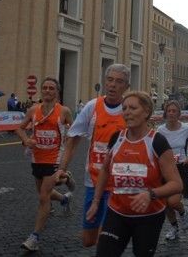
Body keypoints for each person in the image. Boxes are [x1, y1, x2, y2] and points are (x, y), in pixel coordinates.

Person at [86, 91, 182, 256]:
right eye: (124, 108)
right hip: (117, 212)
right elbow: (104, 170)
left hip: (149, 216)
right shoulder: (117, 138)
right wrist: (96, 201)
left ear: (146, 112)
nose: (127, 112)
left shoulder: (157, 141)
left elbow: (176, 184)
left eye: (132, 108)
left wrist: (151, 194)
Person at [57, 63, 130, 247]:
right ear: (105, 82)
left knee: (107, 239)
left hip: (117, 185)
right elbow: (73, 139)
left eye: (119, 81)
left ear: (126, 87)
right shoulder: (92, 107)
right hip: (93, 182)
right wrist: (62, 169)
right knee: (88, 240)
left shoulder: (130, 110)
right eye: (110, 80)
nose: (113, 85)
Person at [15, 77, 74, 252]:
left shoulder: (63, 111)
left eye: (51, 88)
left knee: (43, 197)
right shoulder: (34, 110)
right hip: (37, 158)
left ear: (57, 92)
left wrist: (68, 134)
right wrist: (26, 139)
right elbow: (19, 128)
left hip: (55, 159)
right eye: (45, 88)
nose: (48, 91)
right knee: (43, 193)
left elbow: (75, 127)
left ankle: (34, 237)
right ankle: (65, 198)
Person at [157, 100, 188, 241]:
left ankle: (183, 211)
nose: (171, 113)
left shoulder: (186, 129)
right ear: (165, 113)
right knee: (165, 203)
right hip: (164, 169)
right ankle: (174, 227)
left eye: (174, 111)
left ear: (178, 113)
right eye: (169, 111)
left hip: (181, 168)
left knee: (174, 201)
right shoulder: (160, 131)